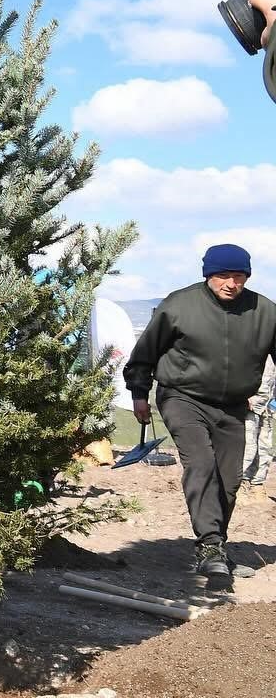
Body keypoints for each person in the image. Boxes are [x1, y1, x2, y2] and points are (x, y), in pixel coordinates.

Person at [124, 243, 276, 587]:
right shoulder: (179, 305)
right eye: (223, 275)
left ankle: (215, 545)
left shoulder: (265, 311)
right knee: (202, 464)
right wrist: (139, 394)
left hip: (233, 406)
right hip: (182, 397)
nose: (231, 283)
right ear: (208, 275)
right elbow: (145, 352)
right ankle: (210, 546)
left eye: (239, 276)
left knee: (229, 479)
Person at [241, 359, 276, 498]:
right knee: (248, 444)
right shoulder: (257, 347)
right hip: (250, 403)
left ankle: (257, 484)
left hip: (268, 405)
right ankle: (241, 483)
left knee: (265, 446)